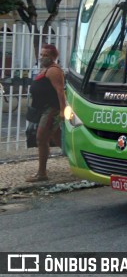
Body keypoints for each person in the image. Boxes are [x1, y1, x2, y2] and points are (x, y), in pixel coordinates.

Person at [26, 43, 67, 182]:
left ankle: (42, 173)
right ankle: (79, 161)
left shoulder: (54, 70)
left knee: (41, 139)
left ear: (53, 57)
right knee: (60, 140)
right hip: (43, 109)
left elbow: (60, 92)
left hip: (51, 110)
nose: (42, 57)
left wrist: (62, 110)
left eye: (46, 55)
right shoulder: (45, 69)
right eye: (41, 55)